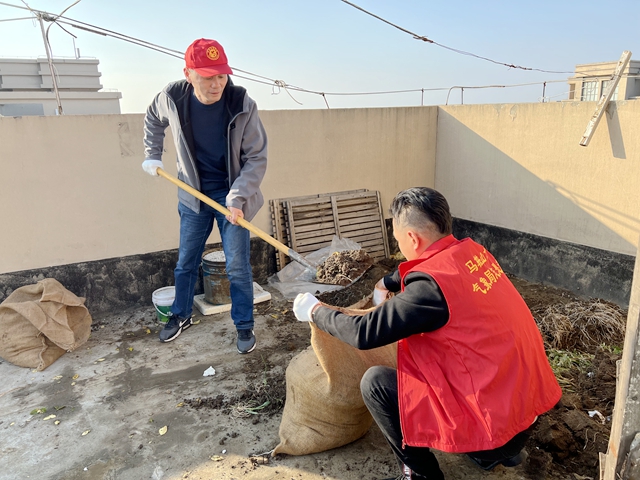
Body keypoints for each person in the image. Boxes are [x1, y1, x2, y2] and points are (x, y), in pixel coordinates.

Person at [293, 187, 562, 480]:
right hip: (529, 409)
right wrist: (387, 282)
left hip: (496, 430)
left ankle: (422, 475)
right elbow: (426, 264)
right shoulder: (475, 253)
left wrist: (314, 311)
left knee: (377, 383)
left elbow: (363, 333)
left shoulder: (430, 289)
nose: (399, 246)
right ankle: (503, 453)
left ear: (411, 238)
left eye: (398, 240)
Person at [142, 38, 268, 354]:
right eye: (207, 76)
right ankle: (180, 315)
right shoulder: (172, 98)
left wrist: (237, 197)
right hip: (192, 194)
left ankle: (244, 325)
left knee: (237, 266)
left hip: (231, 197)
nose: (216, 85)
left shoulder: (241, 103)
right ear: (189, 73)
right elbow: (153, 118)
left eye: (221, 76)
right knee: (186, 261)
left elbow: (256, 157)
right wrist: (152, 153)